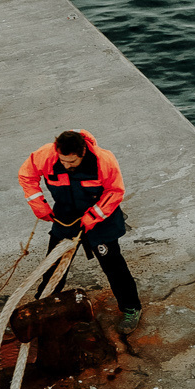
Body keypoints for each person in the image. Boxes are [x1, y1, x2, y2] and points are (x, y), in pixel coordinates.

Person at [19, 127, 143, 327]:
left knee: (114, 267)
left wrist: (93, 216)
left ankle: (131, 308)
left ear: (82, 152)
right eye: (62, 160)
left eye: (72, 161)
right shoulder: (46, 155)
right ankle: (44, 306)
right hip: (65, 218)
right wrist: (39, 205)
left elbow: (115, 191)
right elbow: (27, 175)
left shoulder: (104, 161)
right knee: (54, 267)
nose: (66, 165)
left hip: (102, 219)